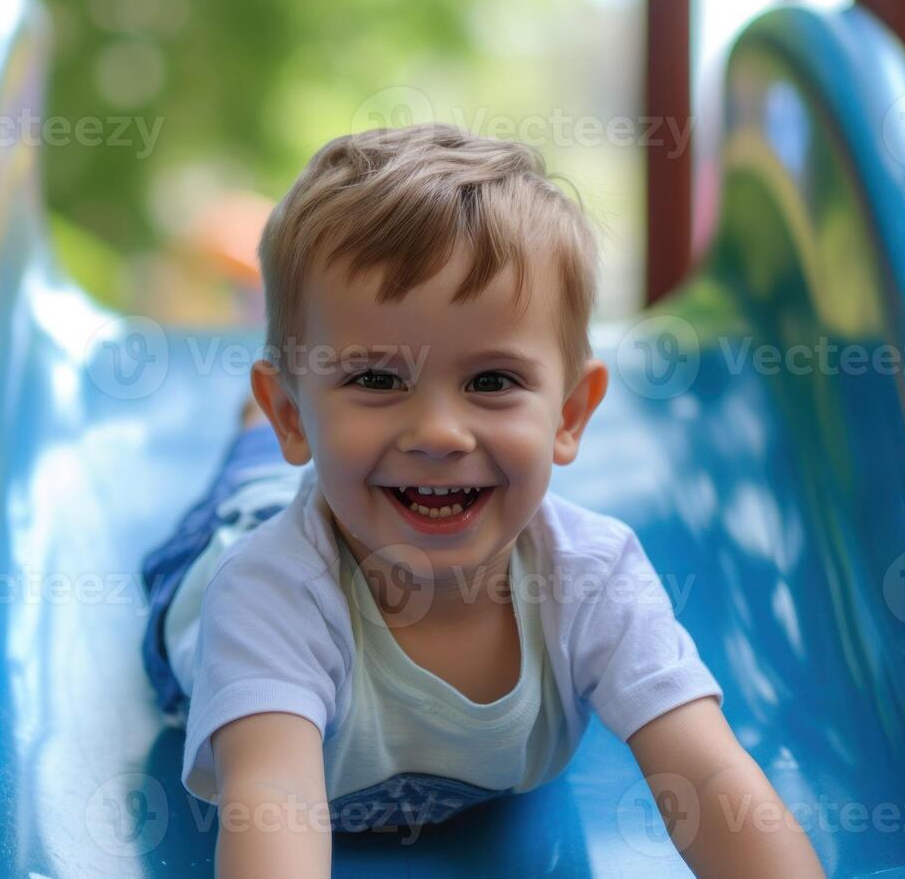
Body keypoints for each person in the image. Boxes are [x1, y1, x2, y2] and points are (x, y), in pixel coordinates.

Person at [140, 123, 823, 876]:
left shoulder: (593, 577)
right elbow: (273, 811)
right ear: (294, 415)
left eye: (491, 382)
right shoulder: (270, 596)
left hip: (340, 479)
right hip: (221, 561)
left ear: (568, 414)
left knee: (309, 475)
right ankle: (257, 440)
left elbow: (711, 778)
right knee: (250, 497)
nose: (439, 432)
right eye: (376, 379)